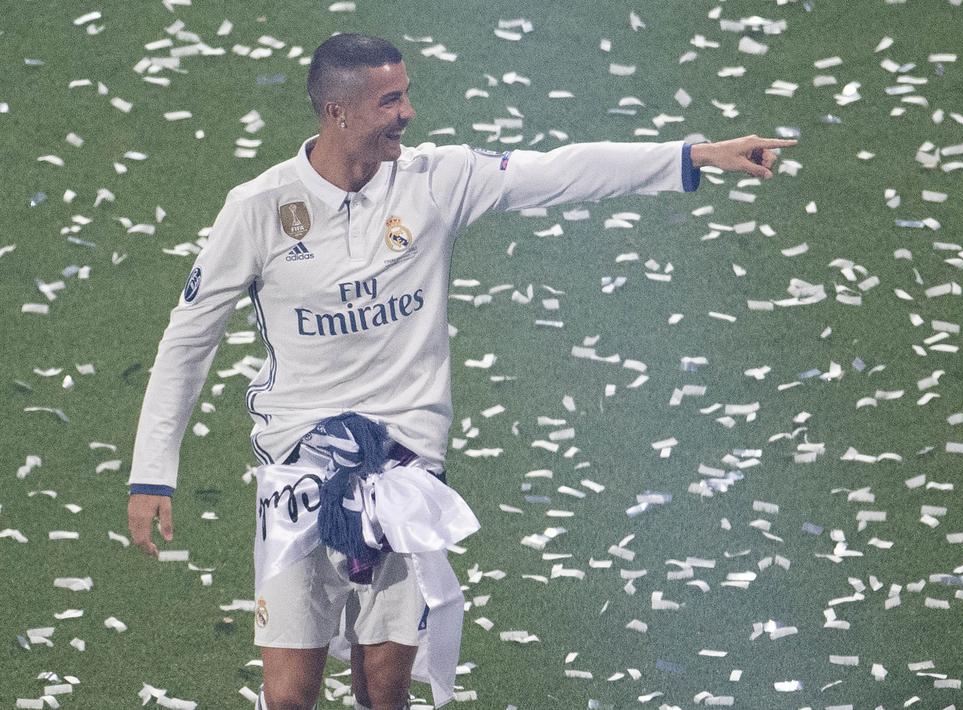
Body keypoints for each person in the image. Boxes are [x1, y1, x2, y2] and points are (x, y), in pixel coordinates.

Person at [126, 33, 795, 710]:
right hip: (299, 473)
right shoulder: (259, 208)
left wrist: (692, 155)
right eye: (390, 100)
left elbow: (558, 171)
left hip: (405, 472)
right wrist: (152, 471)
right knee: (290, 692)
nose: (407, 112)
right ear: (337, 111)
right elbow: (188, 340)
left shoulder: (435, 181)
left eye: (406, 93)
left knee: (383, 686)